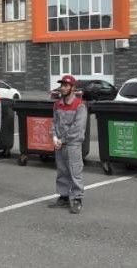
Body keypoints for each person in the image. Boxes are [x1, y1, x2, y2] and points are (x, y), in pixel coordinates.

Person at [48, 74, 88, 214]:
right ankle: (64, 197)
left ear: (73, 88)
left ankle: (77, 199)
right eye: (62, 85)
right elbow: (54, 122)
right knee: (62, 171)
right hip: (59, 144)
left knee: (74, 171)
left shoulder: (80, 106)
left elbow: (77, 129)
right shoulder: (57, 104)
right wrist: (53, 136)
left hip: (72, 145)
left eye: (66, 85)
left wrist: (61, 140)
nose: (62, 88)